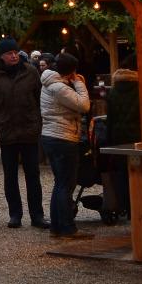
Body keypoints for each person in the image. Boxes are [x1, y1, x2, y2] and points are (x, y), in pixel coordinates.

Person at [0, 37, 47, 229]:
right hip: (7, 133)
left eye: (15, 52)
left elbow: (40, 98)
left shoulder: (31, 72)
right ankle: (15, 214)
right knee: (10, 176)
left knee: (33, 175)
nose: (14, 56)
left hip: (29, 131)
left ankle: (37, 215)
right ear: (2, 56)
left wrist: (37, 123)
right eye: (9, 53)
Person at [41, 51, 92, 239]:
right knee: (66, 185)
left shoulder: (50, 82)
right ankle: (68, 228)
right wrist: (79, 83)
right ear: (71, 71)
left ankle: (57, 226)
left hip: (51, 137)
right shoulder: (59, 88)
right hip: (63, 138)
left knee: (60, 184)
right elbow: (84, 105)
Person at [105, 55, 140, 219]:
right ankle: (138, 207)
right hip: (138, 137)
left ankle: (124, 206)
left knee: (121, 174)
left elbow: (109, 119)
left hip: (118, 138)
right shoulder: (141, 89)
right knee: (139, 173)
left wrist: (109, 139)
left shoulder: (112, 92)